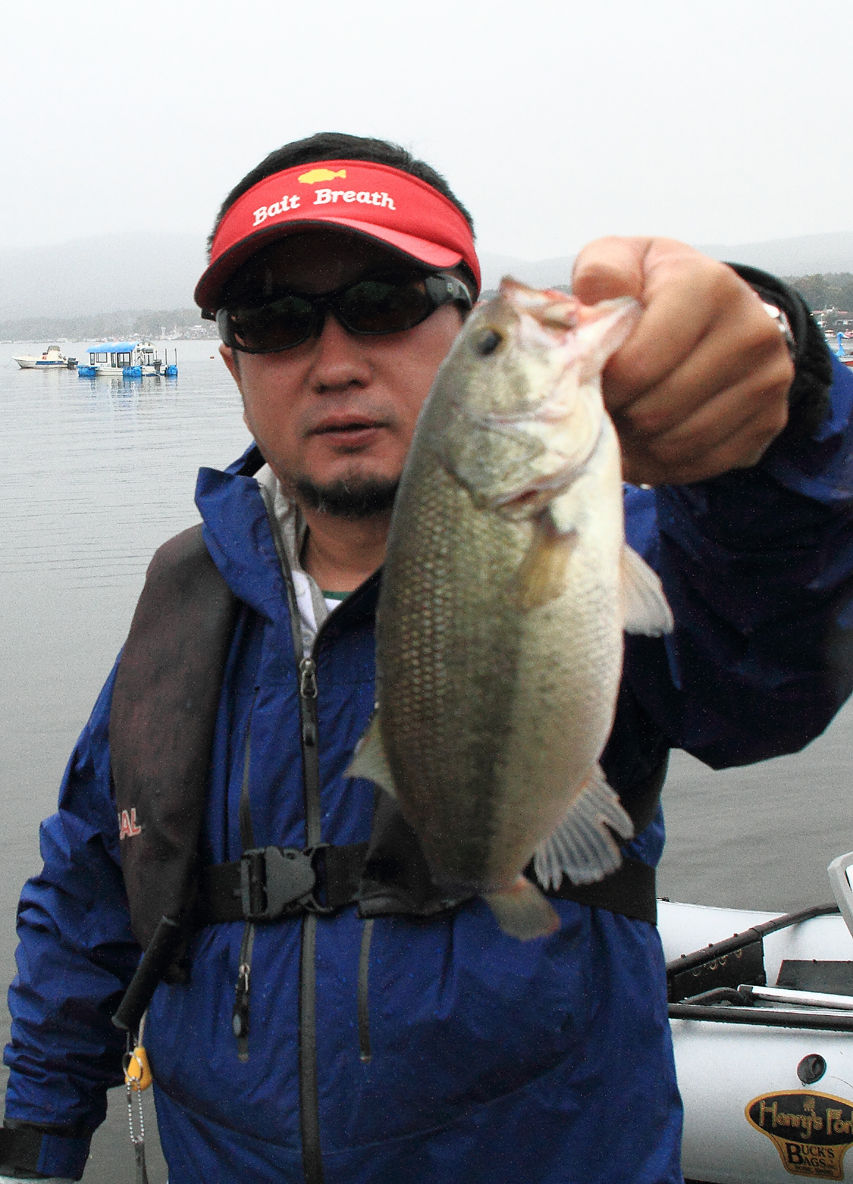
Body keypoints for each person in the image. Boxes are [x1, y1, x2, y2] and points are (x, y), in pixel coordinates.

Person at [1, 131, 852, 1184]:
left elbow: (772, 662)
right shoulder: (182, 605)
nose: (335, 360)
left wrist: (787, 398)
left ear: (460, 330)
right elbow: (84, 896)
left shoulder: (609, 546)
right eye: (274, 319)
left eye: (386, 301)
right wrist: (34, 1143)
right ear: (232, 365)